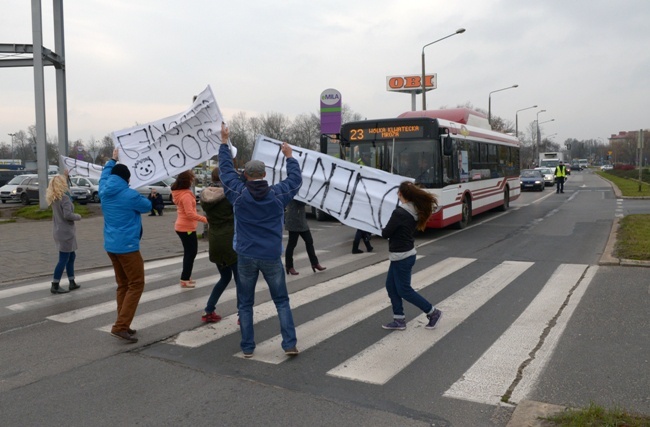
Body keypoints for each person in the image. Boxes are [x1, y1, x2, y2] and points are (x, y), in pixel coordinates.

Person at [218, 123, 302, 358]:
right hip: (271, 255)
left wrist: (224, 142)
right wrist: (289, 157)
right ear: (265, 174)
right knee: (281, 301)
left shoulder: (238, 194)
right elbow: (295, 180)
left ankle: (247, 347)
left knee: (245, 304)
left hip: (245, 254)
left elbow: (225, 171)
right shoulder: (278, 195)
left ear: (245, 175)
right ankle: (289, 344)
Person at [99, 148, 152, 343]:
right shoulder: (129, 195)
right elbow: (147, 206)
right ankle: (120, 326)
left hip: (111, 245)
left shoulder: (104, 190)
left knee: (123, 285)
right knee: (137, 283)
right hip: (128, 247)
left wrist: (112, 160)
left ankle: (124, 322)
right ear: (127, 179)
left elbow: (104, 176)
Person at [381, 181, 442, 331]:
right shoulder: (414, 209)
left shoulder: (400, 212)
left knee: (404, 290)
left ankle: (433, 312)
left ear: (401, 194)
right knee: (391, 286)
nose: (397, 195)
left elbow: (385, 233)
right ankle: (399, 319)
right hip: (403, 254)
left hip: (402, 256)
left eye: (398, 193)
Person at [199, 167, 239, 323]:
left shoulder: (205, 197)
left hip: (215, 241)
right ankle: (243, 314)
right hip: (231, 242)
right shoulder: (229, 196)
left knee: (224, 277)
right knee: (240, 281)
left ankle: (209, 310)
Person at [46, 172, 81, 294]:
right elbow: (68, 215)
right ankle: (55, 284)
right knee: (64, 258)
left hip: (58, 230)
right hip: (66, 232)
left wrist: (66, 175)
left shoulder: (54, 198)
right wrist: (78, 216)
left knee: (71, 256)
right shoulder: (65, 199)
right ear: (61, 185)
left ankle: (72, 282)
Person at [171, 170, 207, 288]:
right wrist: (206, 219)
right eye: (191, 178)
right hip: (186, 227)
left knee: (190, 252)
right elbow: (190, 214)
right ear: (187, 181)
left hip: (184, 226)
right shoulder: (186, 195)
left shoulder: (179, 192)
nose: (193, 180)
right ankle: (185, 278)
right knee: (190, 253)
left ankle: (186, 276)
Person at [284, 199, 326, 275]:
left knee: (309, 241)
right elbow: (301, 202)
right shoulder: (294, 190)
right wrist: (309, 198)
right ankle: (289, 266)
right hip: (293, 220)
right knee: (292, 244)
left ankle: (315, 263)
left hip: (302, 221)